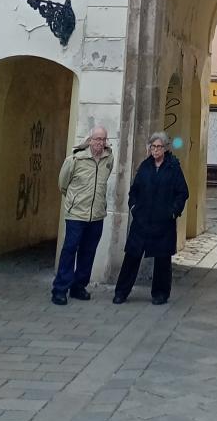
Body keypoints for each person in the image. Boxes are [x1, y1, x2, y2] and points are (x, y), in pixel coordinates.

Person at [113, 131, 189, 306]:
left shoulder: (173, 167)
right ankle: (121, 292)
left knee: (162, 259)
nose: (155, 150)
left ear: (165, 148)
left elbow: (182, 192)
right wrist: (134, 207)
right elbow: (134, 190)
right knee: (132, 256)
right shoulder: (145, 166)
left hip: (163, 222)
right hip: (142, 220)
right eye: (153, 146)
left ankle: (160, 293)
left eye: (159, 147)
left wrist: (173, 212)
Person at [51, 126, 113, 305]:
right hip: (76, 214)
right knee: (70, 250)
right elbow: (63, 184)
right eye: (97, 139)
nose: (100, 142)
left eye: (103, 139)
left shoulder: (109, 158)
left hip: (97, 215)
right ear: (89, 140)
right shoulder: (75, 159)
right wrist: (75, 201)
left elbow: (105, 179)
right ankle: (60, 289)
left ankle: (78, 286)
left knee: (88, 251)